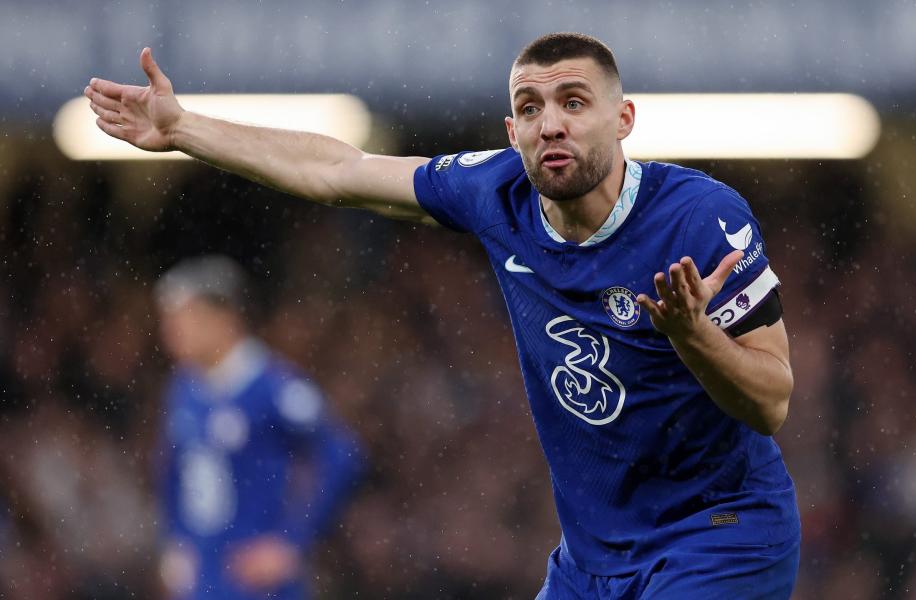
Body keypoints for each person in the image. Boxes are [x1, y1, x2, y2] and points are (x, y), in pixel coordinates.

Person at [88, 33, 800, 599]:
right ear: (512, 130)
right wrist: (185, 129)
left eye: (574, 102)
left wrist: (694, 337)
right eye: (529, 107)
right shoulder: (495, 193)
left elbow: (770, 402)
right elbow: (340, 170)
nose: (550, 122)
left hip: (719, 532)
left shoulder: (700, 220)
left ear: (623, 119)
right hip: (594, 560)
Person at [152, 255, 365, 599]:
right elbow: (171, 467)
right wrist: (175, 540)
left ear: (224, 318)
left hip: (255, 582)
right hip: (202, 578)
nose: (171, 332)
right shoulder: (183, 388)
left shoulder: (272, 386)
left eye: (183, 319)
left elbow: (340, 455)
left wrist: (290, 540)